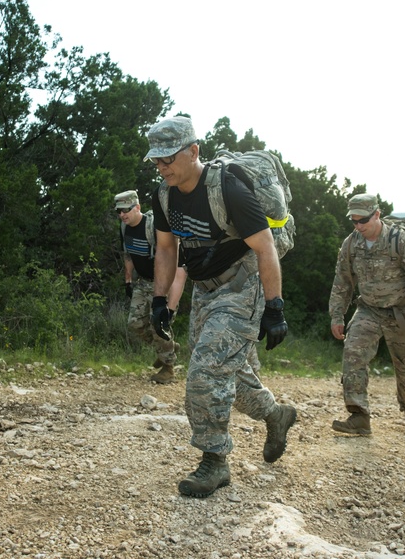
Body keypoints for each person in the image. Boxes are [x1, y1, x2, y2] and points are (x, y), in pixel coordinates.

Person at [146, 116, 297, 499]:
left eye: (168, 159)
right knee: (230, 371)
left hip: (241, 283)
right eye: (156, 161)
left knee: (205, 372)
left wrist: (274, 307)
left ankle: (214, 461)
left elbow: (265, 248)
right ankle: (276, 415)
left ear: (193, 151)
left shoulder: (227, 188)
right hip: (204, 289)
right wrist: (160, 300)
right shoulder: (164, 194)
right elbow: (166, 248)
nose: (161, 167)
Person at [329, 194, 405, 437]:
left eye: (363, 220)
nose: (358, 226)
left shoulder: (402, 241)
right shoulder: (351, 244)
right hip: (369, 309)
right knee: (353, 354)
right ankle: (359, 417)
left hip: (402, 313)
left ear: (377, 214)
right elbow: (342, 281)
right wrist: (337, 315)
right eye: (353, 221)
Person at [116, 189, 187, 384]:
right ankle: (166, 347)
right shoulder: (124, 228)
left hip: (162, 284)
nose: (122, 215)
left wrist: (170, 304)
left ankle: (168, 368)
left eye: (125, 210)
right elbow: (128, 254)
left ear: (137, 207)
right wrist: (128, 281)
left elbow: (177, 263)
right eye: (119, 212)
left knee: (159, 326)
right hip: (143, 282)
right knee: (135, 324)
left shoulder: (154, 226)